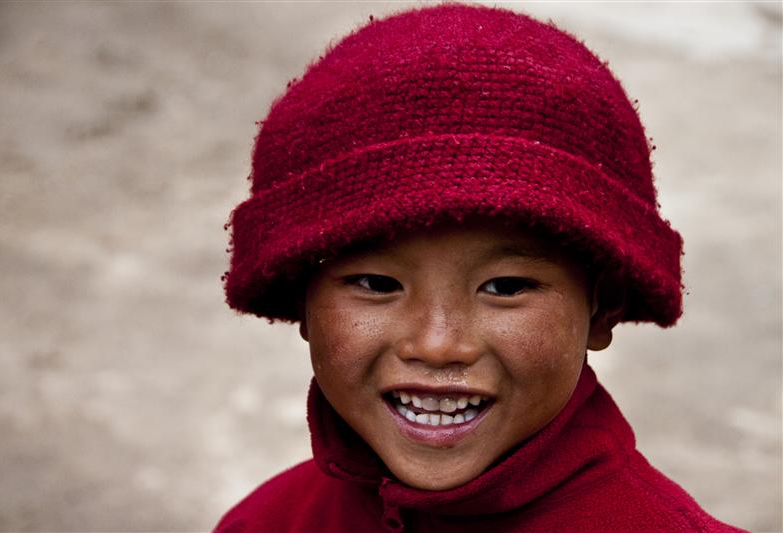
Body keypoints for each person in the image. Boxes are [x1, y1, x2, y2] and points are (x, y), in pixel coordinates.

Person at [215, 4, 744, 532]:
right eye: (378, 284)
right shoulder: (268, 521)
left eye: (506, 287)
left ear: (602, 307)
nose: (439, 344)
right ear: (300, 294)